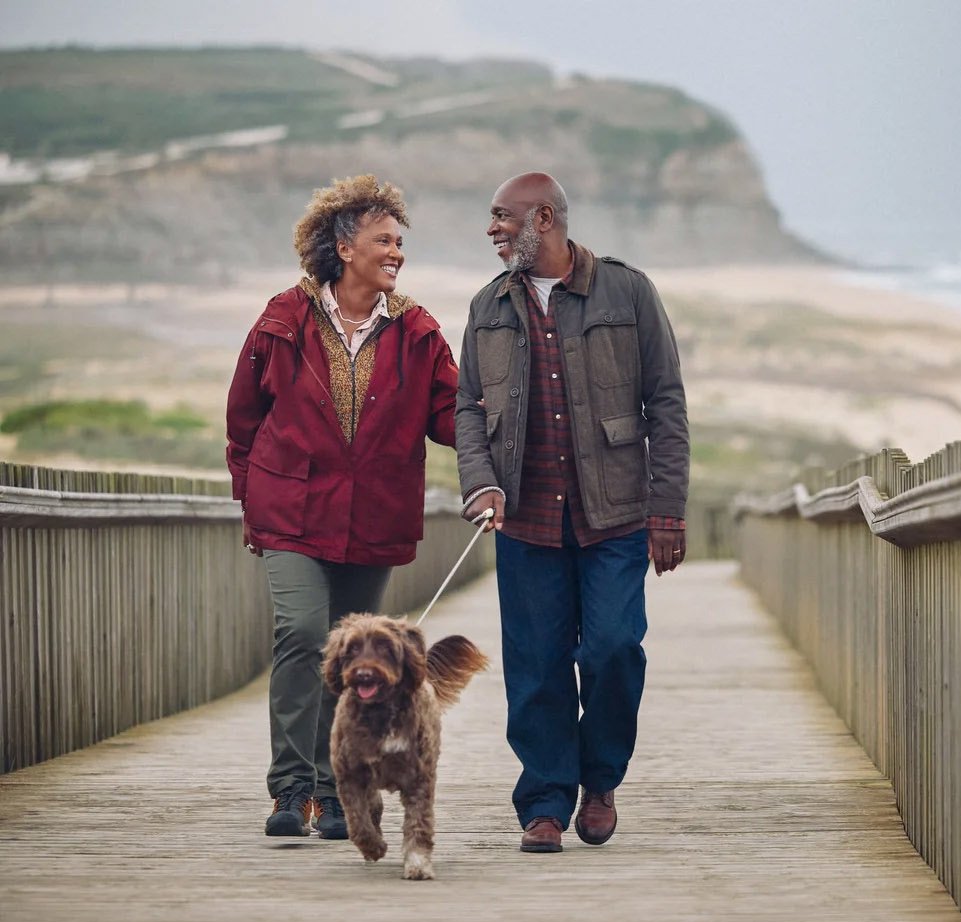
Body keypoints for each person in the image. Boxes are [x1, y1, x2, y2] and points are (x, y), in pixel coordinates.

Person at [454, 171, 689, 853]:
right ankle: (546, 801)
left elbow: (665, 402)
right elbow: (468, 408)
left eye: (503, 217)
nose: (493, 230)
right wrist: (481, 482)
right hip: (525, 519)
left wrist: (667, 510)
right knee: (536, 666)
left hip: (615, 514)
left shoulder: (627, 291)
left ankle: (601, 779)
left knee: (613, 648)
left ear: (544, 219)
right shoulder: (487, 305)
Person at [226, 174, 459, 838]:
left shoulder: (417, 330)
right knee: (302, 632)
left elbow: (452, 415)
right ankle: (290, 787)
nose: (396, 253)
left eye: (399, 242)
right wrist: (249, 500)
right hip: (290, 510)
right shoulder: (283, 318)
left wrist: (498, 446)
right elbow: (244, 418)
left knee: (355, 656)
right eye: (384, 240)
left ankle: (334, 791)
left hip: (373, 514)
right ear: (344, 246)